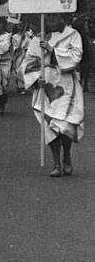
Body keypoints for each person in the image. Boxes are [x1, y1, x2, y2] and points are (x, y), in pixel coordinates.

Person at [23, 13, 84, 177]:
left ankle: (67, 157)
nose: (52, 20)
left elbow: (76, 56)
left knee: (65, 125)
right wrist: (36, 80)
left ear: (61, 17)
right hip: (47, 86)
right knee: (49, 125)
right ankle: (56, 162)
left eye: (55, 17)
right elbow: (29, 62)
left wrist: (53, 51)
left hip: (67, 85)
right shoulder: (38, 39)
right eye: (48, 17)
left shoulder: (72, 35)